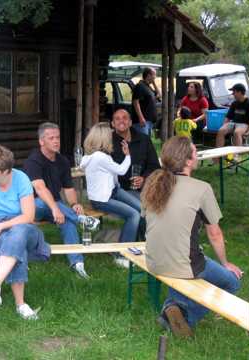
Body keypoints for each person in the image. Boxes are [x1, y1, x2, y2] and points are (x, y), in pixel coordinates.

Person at [141, 136, 242, 337]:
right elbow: (214, 233)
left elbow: (147, 219)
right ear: (188, 161)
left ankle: (173, 308)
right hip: (183, 263)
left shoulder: (152, 182)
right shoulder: (201, 188)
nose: (197, 155)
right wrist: (225, 263)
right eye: (195, 152)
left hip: (152, 259)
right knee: (232, 281)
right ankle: (185, 316)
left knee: (187, 266)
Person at [0, 145, 50, 320]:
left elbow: (29, 216)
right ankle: (20, 305)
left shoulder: (21, 179)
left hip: (22, 225)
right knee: (16, 248)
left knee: (18, 234)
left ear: (6, 171)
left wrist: (0, 227)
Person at [23, 122, 100, 279]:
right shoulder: (33, 160)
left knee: (67, 222)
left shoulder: (62, 161)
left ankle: (77, 264)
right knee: (44, 201)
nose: (56, 141)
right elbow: (40, 189)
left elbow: (68, 188)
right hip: (32, 208)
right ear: (41, 141)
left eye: (57, 137)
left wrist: (74, 204)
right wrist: (55, 209)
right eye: (51, 138)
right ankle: (82, 220)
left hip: (55, 207)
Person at [81, 122, 142, 268]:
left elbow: (111, 175)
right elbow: (121, 170)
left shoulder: (94, 156)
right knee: (134, 215)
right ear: (102, 138)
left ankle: (139, 243)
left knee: (141, 208)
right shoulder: (99, 157)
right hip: (102, 199)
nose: (112, 138)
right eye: (109, 135)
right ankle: (121, 255)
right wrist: (127, 155)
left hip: (113, 191)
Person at [111, 109, 160, 194]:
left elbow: (154, 165)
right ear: (113, 124)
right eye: (117, 119)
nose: (121, 121)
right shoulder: (108, 142)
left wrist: (143, 178)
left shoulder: (144, 139)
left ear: (130, 122)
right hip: (118, 190)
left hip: (143, 188)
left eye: (125, 118)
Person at [216, 83, 249, 152]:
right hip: (234, 123)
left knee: (237, 132)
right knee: (221, 130)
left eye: (234, 92)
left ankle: (236, 155)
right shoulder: (234, 103)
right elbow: (228, 117)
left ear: (240, 92)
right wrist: (224, 126)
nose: (233, 94)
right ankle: (218, 155)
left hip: (245, 124)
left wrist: (248, 132)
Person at [131, 67, 160, 136]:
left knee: (146, 142)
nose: (155, 77)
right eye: (154, 75)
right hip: (142, 122)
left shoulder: (148, 87)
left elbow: (159, 95)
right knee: (142, 142)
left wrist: (154, 83)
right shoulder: (140, 86)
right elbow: (135, 102)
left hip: (149, 121)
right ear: (148, 75)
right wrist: (141, 118)